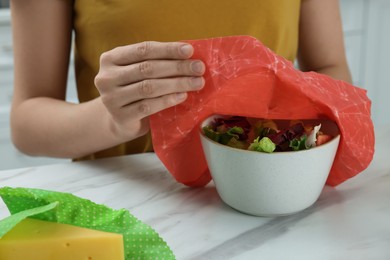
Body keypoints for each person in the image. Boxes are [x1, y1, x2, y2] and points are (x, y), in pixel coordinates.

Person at [9, 0, 352, 160]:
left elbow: (331, 68)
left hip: (270, 198)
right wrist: (109, 120)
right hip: (128, 203)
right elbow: (27, 121)